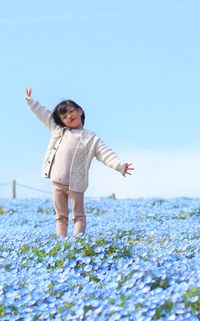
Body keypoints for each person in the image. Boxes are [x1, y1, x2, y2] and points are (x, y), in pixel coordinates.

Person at [24, 87, 133, 237]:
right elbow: (44, 114)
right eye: (64, 116)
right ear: (60, 121)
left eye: (71, 112)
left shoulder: (91, 137)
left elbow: (105, 153)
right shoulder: (58, 131)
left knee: (78, 215)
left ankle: (77, 242)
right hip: (57, 183)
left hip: (76, 184)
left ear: (80, 111)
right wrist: (31, 102)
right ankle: (61, 242)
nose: (68, 116)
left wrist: (120, 165)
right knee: (60, 215)